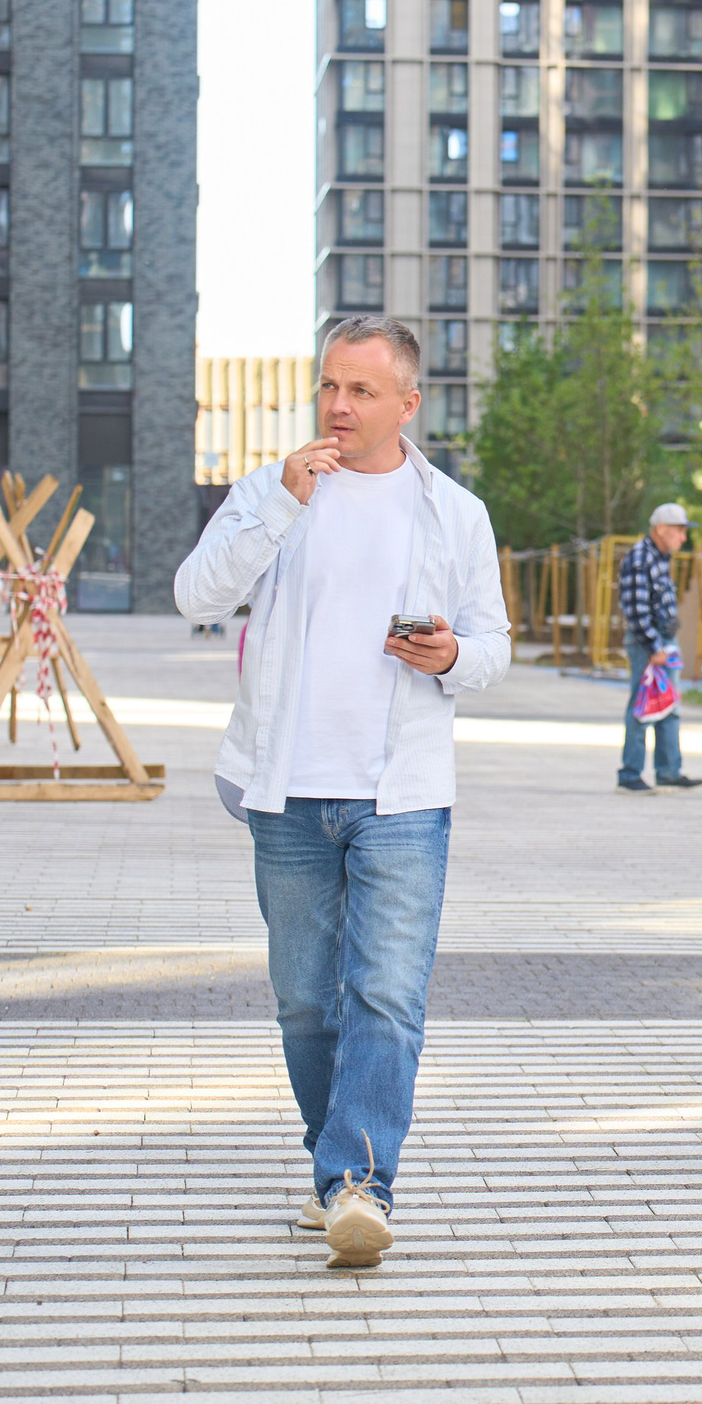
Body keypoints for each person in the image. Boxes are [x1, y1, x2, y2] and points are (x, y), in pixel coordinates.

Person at [174, 314, 511, 1268]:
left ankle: (358, 1183)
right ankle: (339, 1168)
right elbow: (195, 595)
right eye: (329, 385)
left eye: (362, 390)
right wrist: (278, 506)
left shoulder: (456, 512)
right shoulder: (275, 491)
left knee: (389, 995)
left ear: (408, 403)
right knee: (304, 1004)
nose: (338, 405)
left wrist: (451, 655)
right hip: (285, 791)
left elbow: (494, 646)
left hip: (402, 792)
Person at [617, 502, 702, 793]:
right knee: (643, 707)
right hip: (650, 646)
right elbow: (636, 610)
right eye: (680, 531)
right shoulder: (640, 558)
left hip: (663, 643)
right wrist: (655, 646)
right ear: (661, 529)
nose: (683, 538)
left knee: (668, 706)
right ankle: (630, 775)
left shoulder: (659, 557)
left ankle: (668, 771)